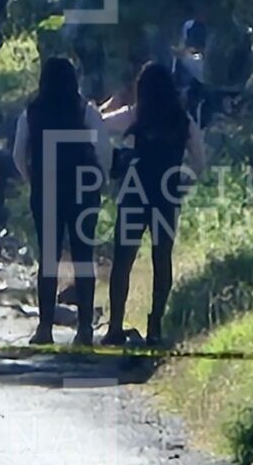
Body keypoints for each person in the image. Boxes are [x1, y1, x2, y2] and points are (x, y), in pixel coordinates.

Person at [103, 62, 206, 346]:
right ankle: (155, 326)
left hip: (134, 194)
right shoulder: (183, 121)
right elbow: (200, 162)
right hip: (166, 198)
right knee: (162, 261)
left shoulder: (136, 115)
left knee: (122, 262)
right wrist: (182, 185)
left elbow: (99, 123)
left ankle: (114, 327)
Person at [12, 57, 111, 346]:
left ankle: (44, 328)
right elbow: (103, 148)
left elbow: (19, 154)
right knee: (84, 256)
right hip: (83, 189)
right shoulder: (85, 111)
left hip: (47, 189)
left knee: (48, 258)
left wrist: (33, 178)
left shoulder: (31, 112)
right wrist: (101, 178)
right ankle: (84, 330)